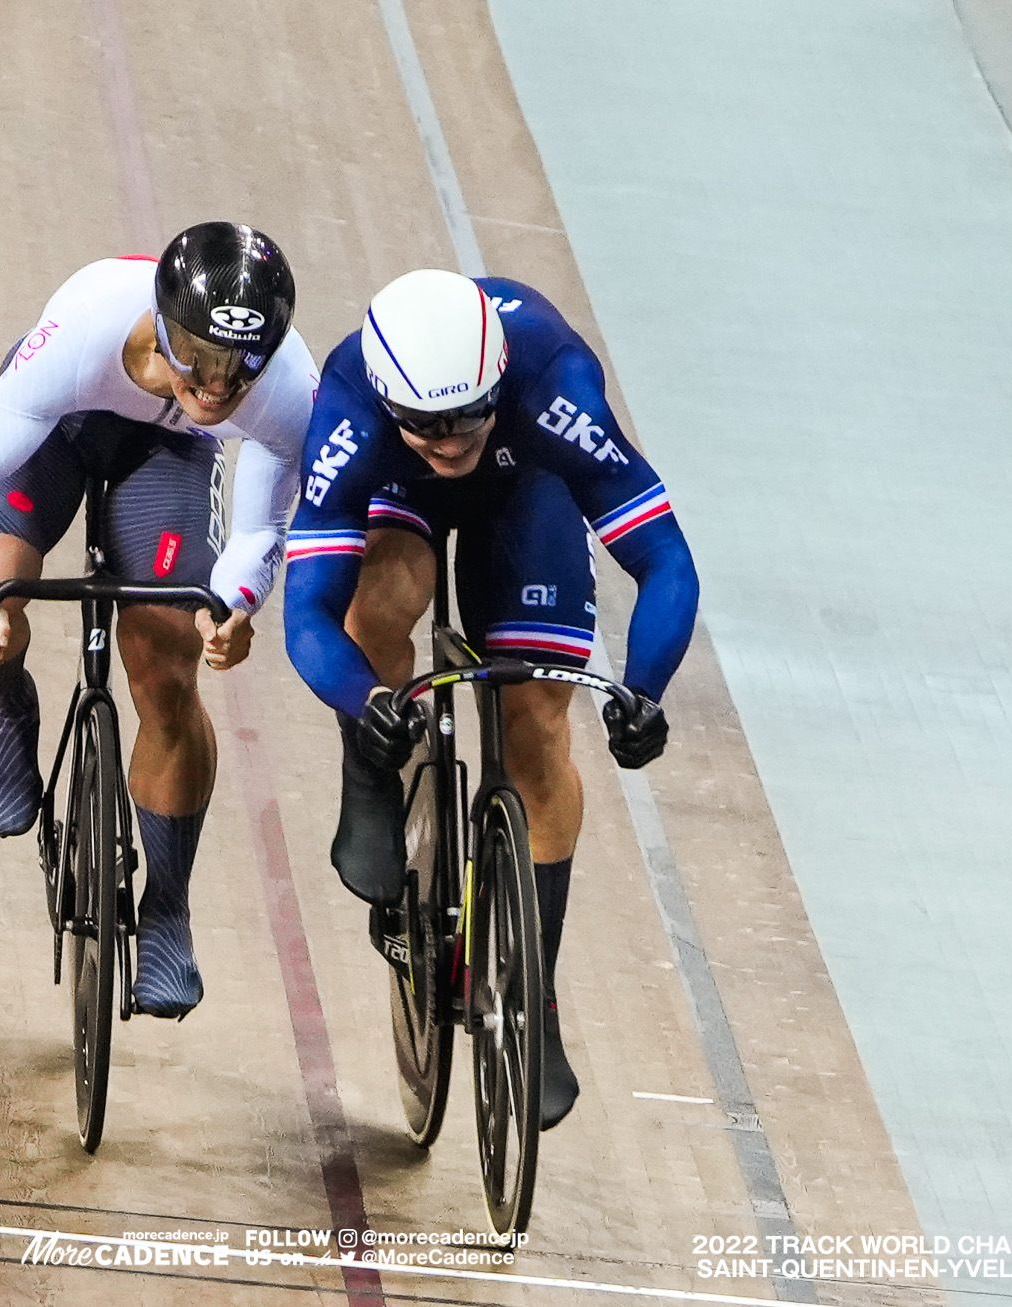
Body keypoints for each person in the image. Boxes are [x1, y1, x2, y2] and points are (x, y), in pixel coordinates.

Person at [283, 269, 698, 1125]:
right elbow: (309, 617)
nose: (449, 439)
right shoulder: (352, 407)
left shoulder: (551, 383)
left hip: (527, 486)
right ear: (390, 403)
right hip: (400, 503)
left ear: (497, 381)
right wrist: (367, 706)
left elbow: (666, 561)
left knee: (536, 721)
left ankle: (534, 997)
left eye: (469, 414)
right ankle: (374, 776)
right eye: (427, 425)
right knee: (382, 601)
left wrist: (645, 691)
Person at [0, 222, 316, 1019]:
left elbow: (262, 529)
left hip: (171, 459)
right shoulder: (86, 329)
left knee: (168, 660)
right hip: (63, 427)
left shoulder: (286, 387)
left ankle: (167, 907)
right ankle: (10, 705)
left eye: (236, 369)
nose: (212, 387)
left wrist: (239, 605)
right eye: (196, 358)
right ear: (160, 321)